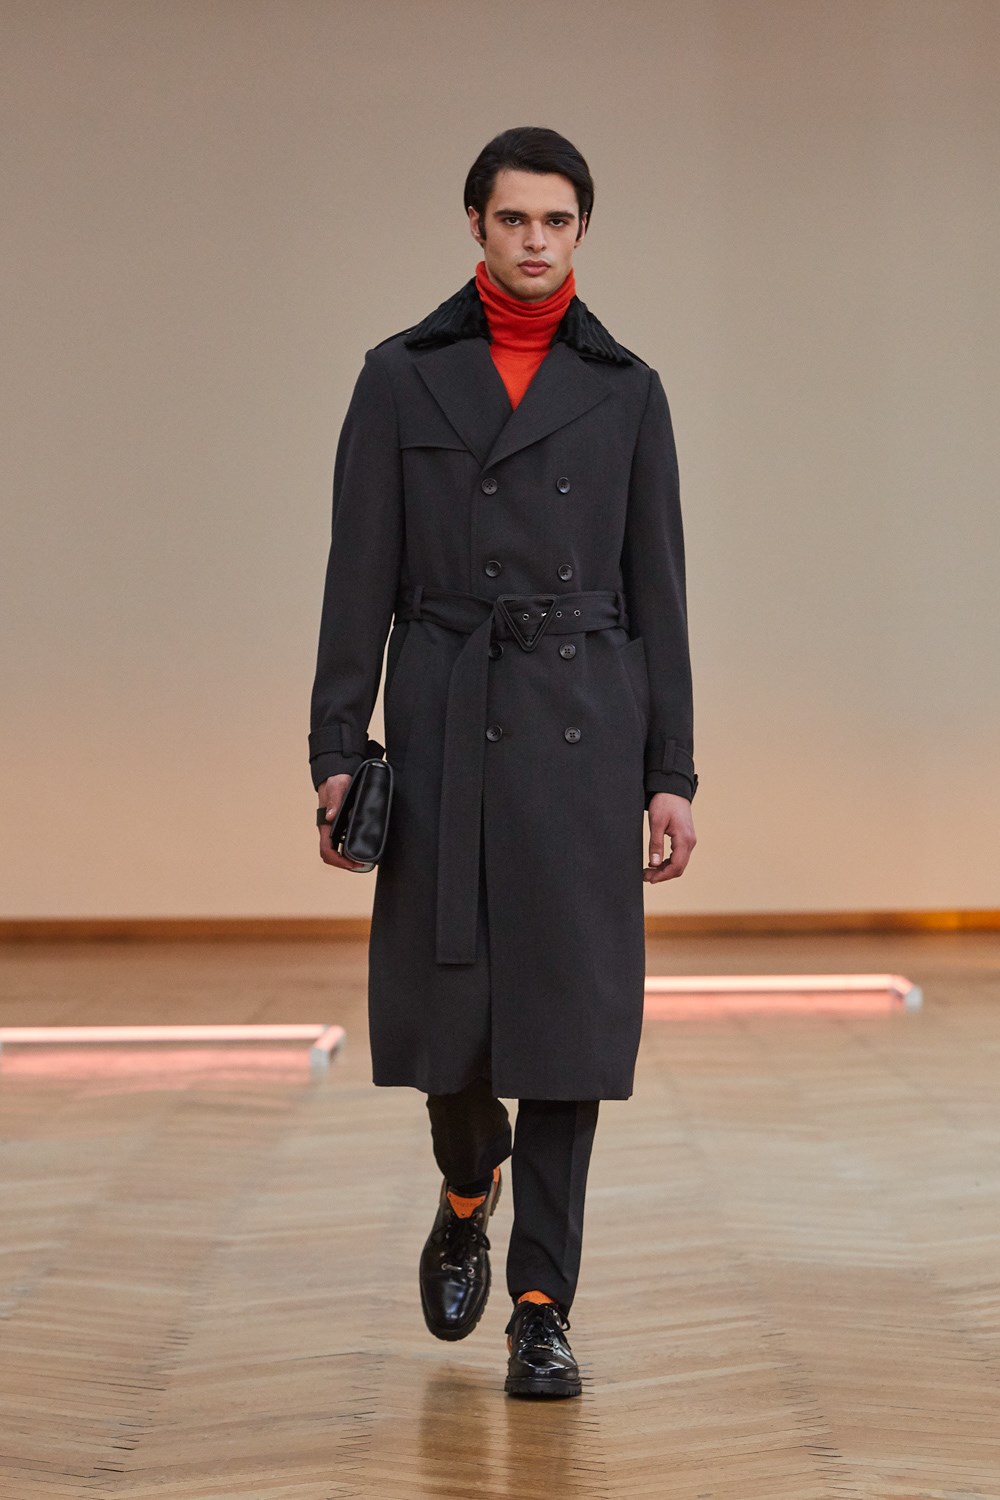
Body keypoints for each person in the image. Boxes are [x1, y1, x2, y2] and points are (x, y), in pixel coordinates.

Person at [310, 126, 697, 1398]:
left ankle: (542, 1308)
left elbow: (659, 595)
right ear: (474, 224)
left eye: (558, 220)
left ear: (582, 231)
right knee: (455, 1020)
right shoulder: (400, 377)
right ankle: (468, 1183)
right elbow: (356, 576)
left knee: (570, 1028)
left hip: (584, 727)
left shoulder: (627, 390)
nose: (536, 240)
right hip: (446, 723)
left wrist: (671, 772)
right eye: (514, 218)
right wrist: (337, 745)